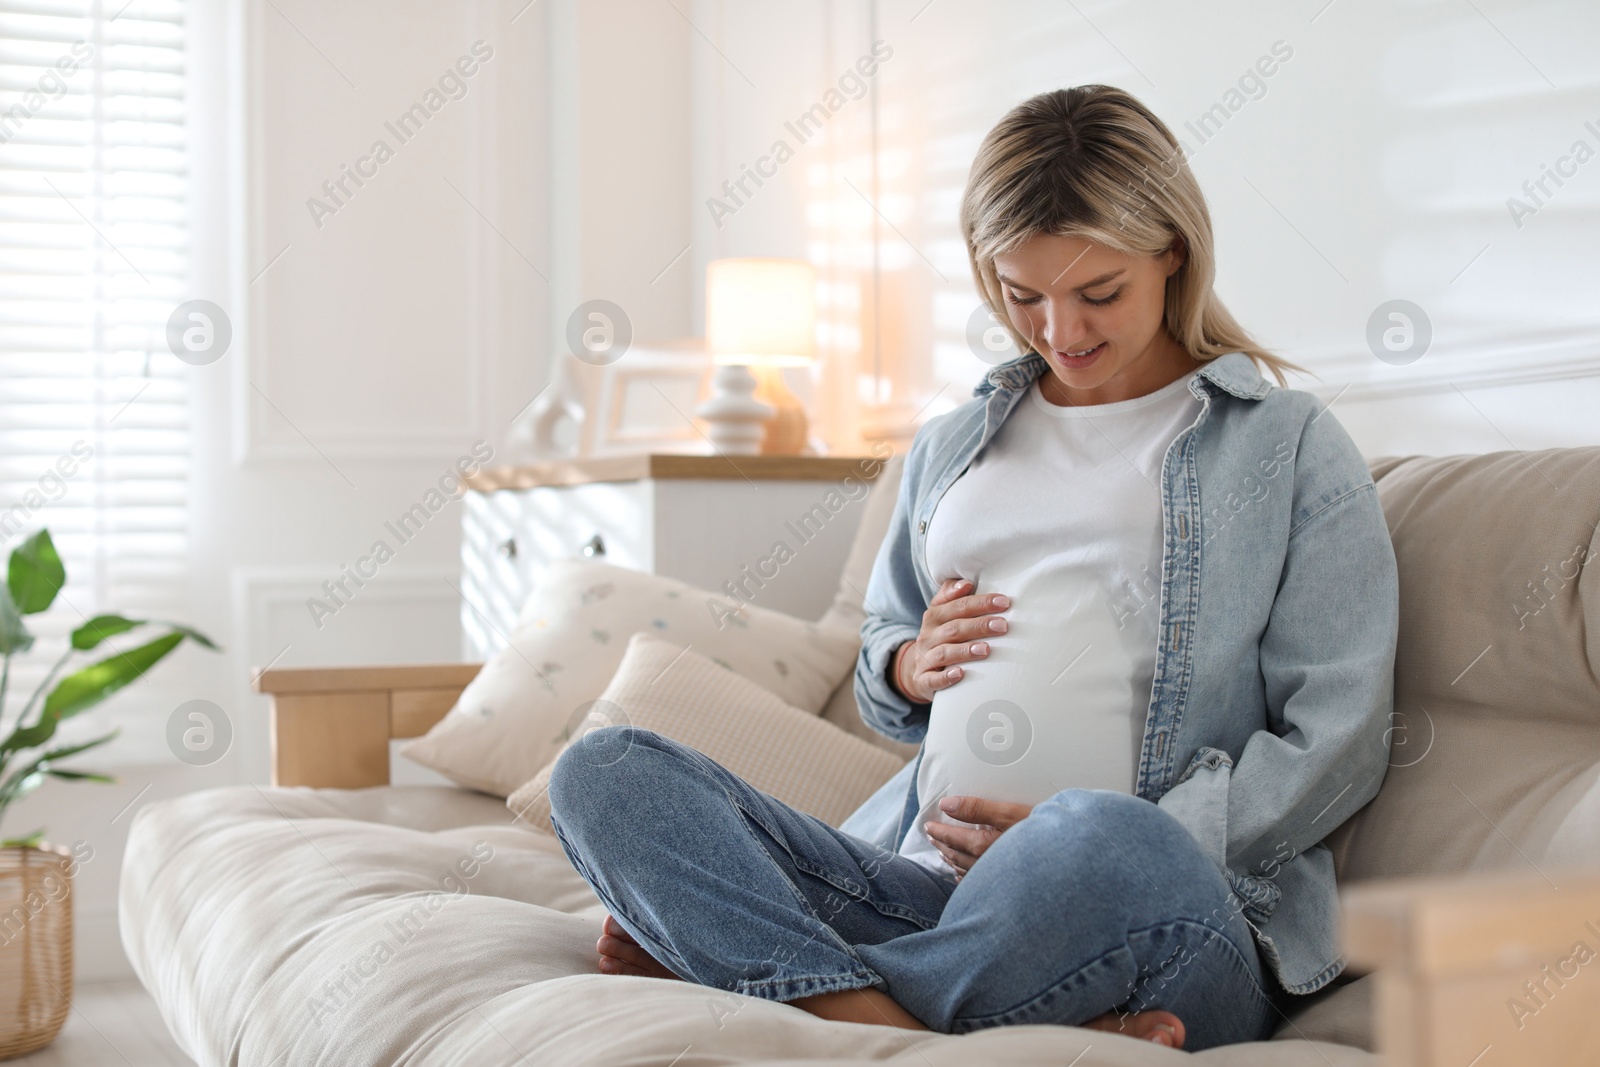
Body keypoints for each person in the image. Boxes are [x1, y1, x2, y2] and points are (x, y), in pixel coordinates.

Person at [547, 84, 1398, 1052]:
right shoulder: (955, 442)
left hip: (1149, 904)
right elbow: (884, 667)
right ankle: (887, 1015)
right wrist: (906, 663)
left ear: (1172, 249)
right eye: (1021, 294)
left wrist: (1064, 838)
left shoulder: (1285, 446)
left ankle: (775, 969)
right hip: (925, 891)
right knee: (604, 770)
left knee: (1099, 836)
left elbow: (1338, 737)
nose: (1059, 331)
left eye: (1098, 293)